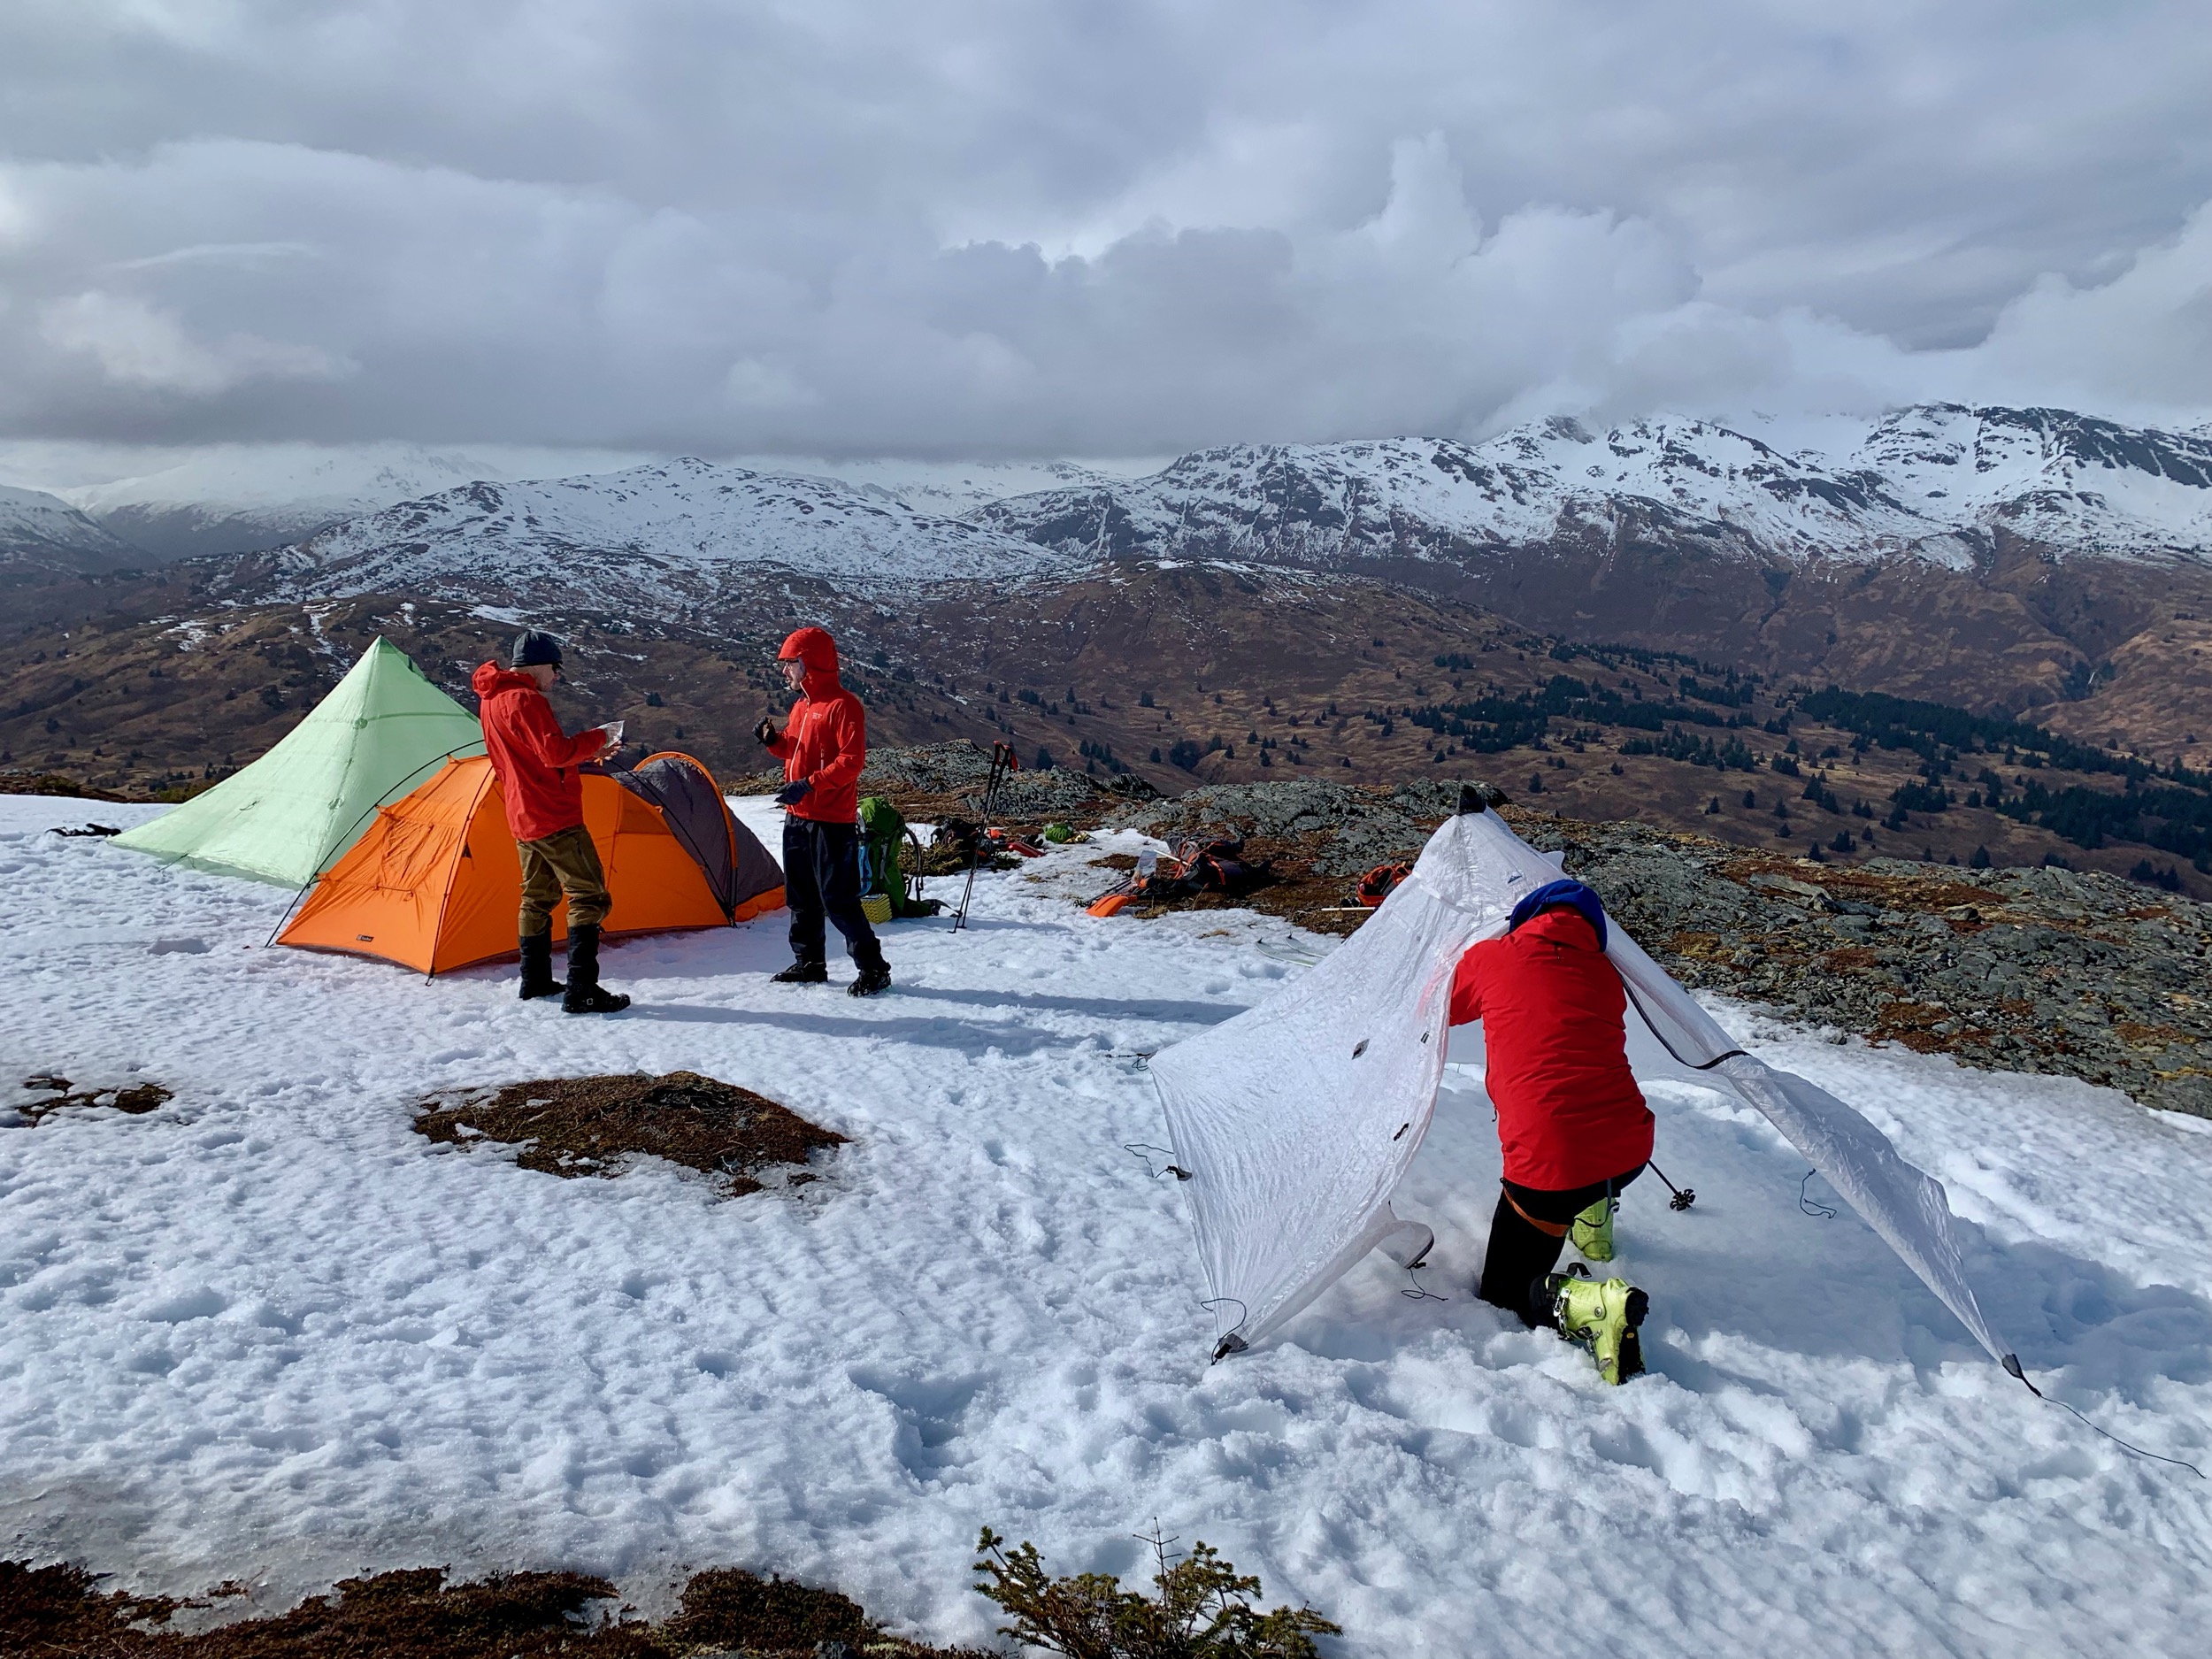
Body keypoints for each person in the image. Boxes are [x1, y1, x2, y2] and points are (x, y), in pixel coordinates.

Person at [1449, 877, 1651, 1382]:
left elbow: (1444, 1007)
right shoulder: (1605, 972)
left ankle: (1592, 1306)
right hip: (1630, 1145)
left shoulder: (1494, 957)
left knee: (1503, 1297)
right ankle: (1593, 1225)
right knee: (1586, 1165)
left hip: (1551, 1166)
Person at [472, 631, 630, 1014]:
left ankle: (535, 979)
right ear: (539, 664)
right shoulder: (526, 699)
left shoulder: (492, 699)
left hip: (522, 812)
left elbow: (532, 757)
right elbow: (554, 753)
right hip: (554, 814)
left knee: (536, 897)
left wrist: (589, 752)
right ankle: (582, 990)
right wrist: (599, 736)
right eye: (556, 668)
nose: (557, 676)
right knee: (589, 895)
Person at [755, 626, 891, 996]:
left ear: (809, 662)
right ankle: (810, 963)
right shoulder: (802, 705)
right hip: (797, 816)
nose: (784, 670)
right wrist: (773, 742)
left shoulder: (843, 706)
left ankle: (874, 968)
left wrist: (810, 784)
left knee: (838, 900)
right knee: (801, 898)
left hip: (831, 820)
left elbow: (851, 762)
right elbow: (795, 748)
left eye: (790, 662)